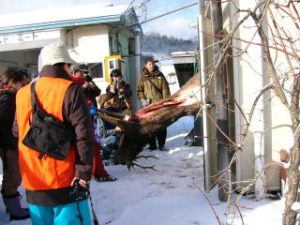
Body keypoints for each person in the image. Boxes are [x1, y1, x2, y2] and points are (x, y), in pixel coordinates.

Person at [14, 42, 94, 225]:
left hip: (33, 180)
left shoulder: (22, 93)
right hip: (65, 180)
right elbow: (84, 136)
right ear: (64, 65)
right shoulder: (71, 90)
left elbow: (16, 131)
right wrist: (83, 173)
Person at [72, 64, 116, 182]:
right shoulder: (73, 85)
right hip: (82, 120)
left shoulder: (87, 82)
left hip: (90, 116)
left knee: (93, 148)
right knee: (92, 148)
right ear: (75, 72)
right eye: (82, 72)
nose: (85, 74)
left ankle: (96, 172)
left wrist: (91, 85)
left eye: (86, 72)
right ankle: (97, 173)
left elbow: (97, 93)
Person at [0, 69, 30, 221]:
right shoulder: (7, 98)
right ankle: (14, 211)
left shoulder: (9, 96)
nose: (25, 85)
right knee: (13, 176)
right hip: (8, 144)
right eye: (23, 83)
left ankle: (14, 208)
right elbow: (3, 120)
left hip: (9, 143)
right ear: (13, 82)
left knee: (12, 176)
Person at [137, 57, 170, 151]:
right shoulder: (142, 77)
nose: (152, 65)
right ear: (146, 65)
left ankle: (161, 144)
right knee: (150, 125)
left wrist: (165, 102)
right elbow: (139, 90)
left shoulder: (160, 75)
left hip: (160, 104)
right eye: (150, 64)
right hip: (148, 105)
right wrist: (143, 100)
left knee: (161, 125)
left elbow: (165, 89)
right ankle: (152, 145)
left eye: (153, 63)